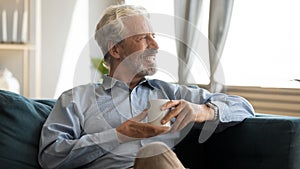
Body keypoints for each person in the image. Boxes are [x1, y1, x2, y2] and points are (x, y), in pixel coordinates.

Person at [38, 4, 255, 169]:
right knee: (155, 152)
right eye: (143, 38)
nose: (156, 45)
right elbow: (50, 156)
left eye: (154, 36)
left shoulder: (170, 93)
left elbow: (243, 107)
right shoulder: (76, 99)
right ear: (115, 50)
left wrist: (202, 110)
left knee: (155, 153)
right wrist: (119, 135)